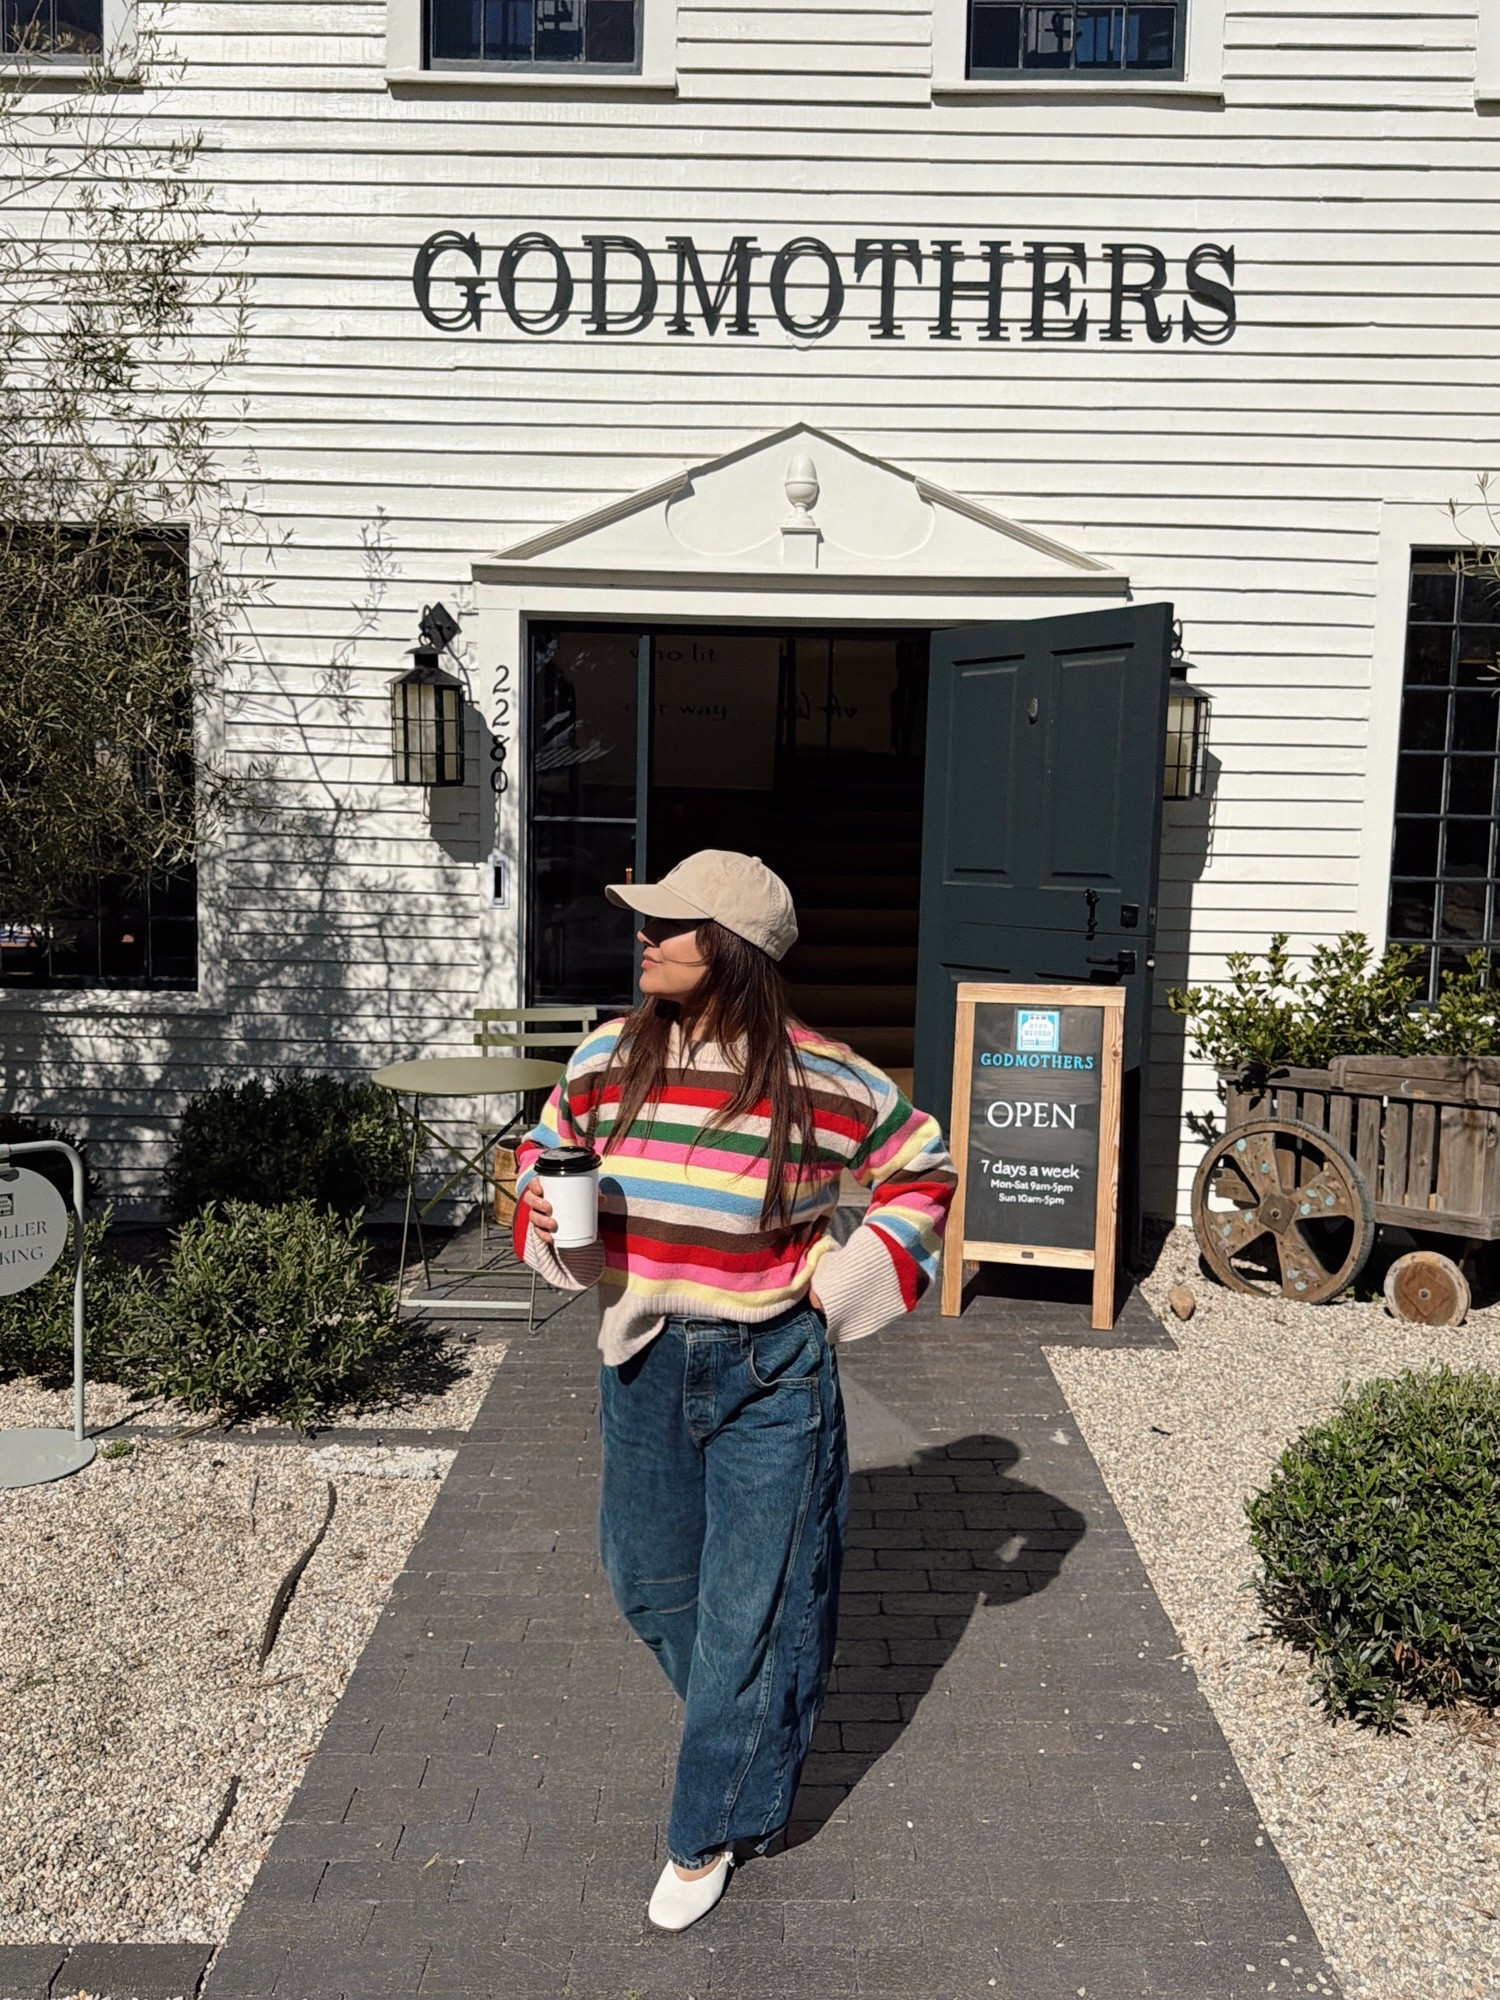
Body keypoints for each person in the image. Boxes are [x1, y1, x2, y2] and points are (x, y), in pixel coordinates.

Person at [513, 849, 956, 1933]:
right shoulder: (607, 1057)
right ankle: (749, 1726)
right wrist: (554, 1227)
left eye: (670, 923)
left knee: (747, 1615)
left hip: (773, 1370)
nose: (644, 937)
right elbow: (544, 1147)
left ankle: (702, 1825)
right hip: (642, 1358)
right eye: (648, 921)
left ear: (733, 947)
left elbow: (924, 1167)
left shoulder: (820, 1074)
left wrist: (847, 1284)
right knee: (645, 1578)